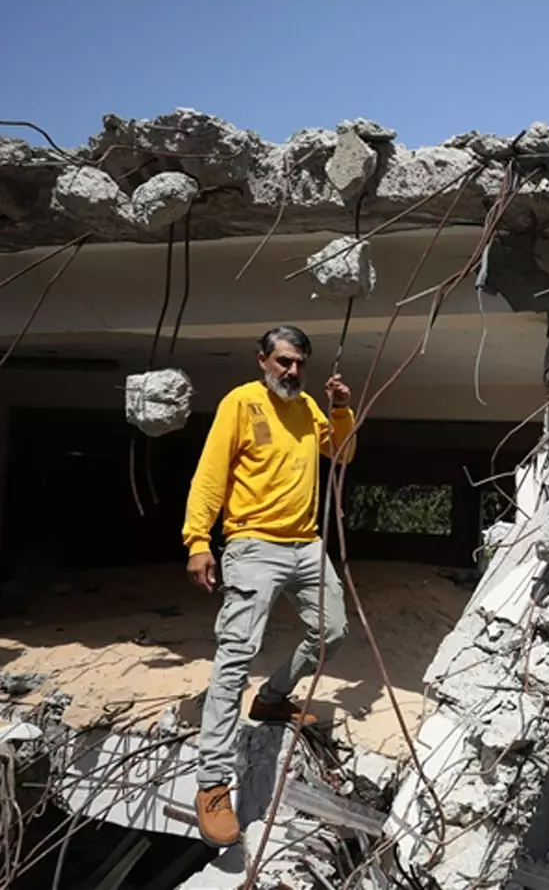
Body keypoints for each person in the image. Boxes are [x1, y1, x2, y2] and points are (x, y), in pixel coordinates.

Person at [180, 324, 357, 847]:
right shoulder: (241, 403)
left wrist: (341, 409)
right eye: (283, 361)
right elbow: (210, 474)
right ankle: (213, 783)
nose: (292, 371)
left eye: (299, 363)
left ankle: (274, 696)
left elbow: (342, 453)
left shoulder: (309, 407)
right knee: (235, 657)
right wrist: (197, 540)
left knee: (333, 630)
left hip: (306, 545)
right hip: (253, 544)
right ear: (262, 360)